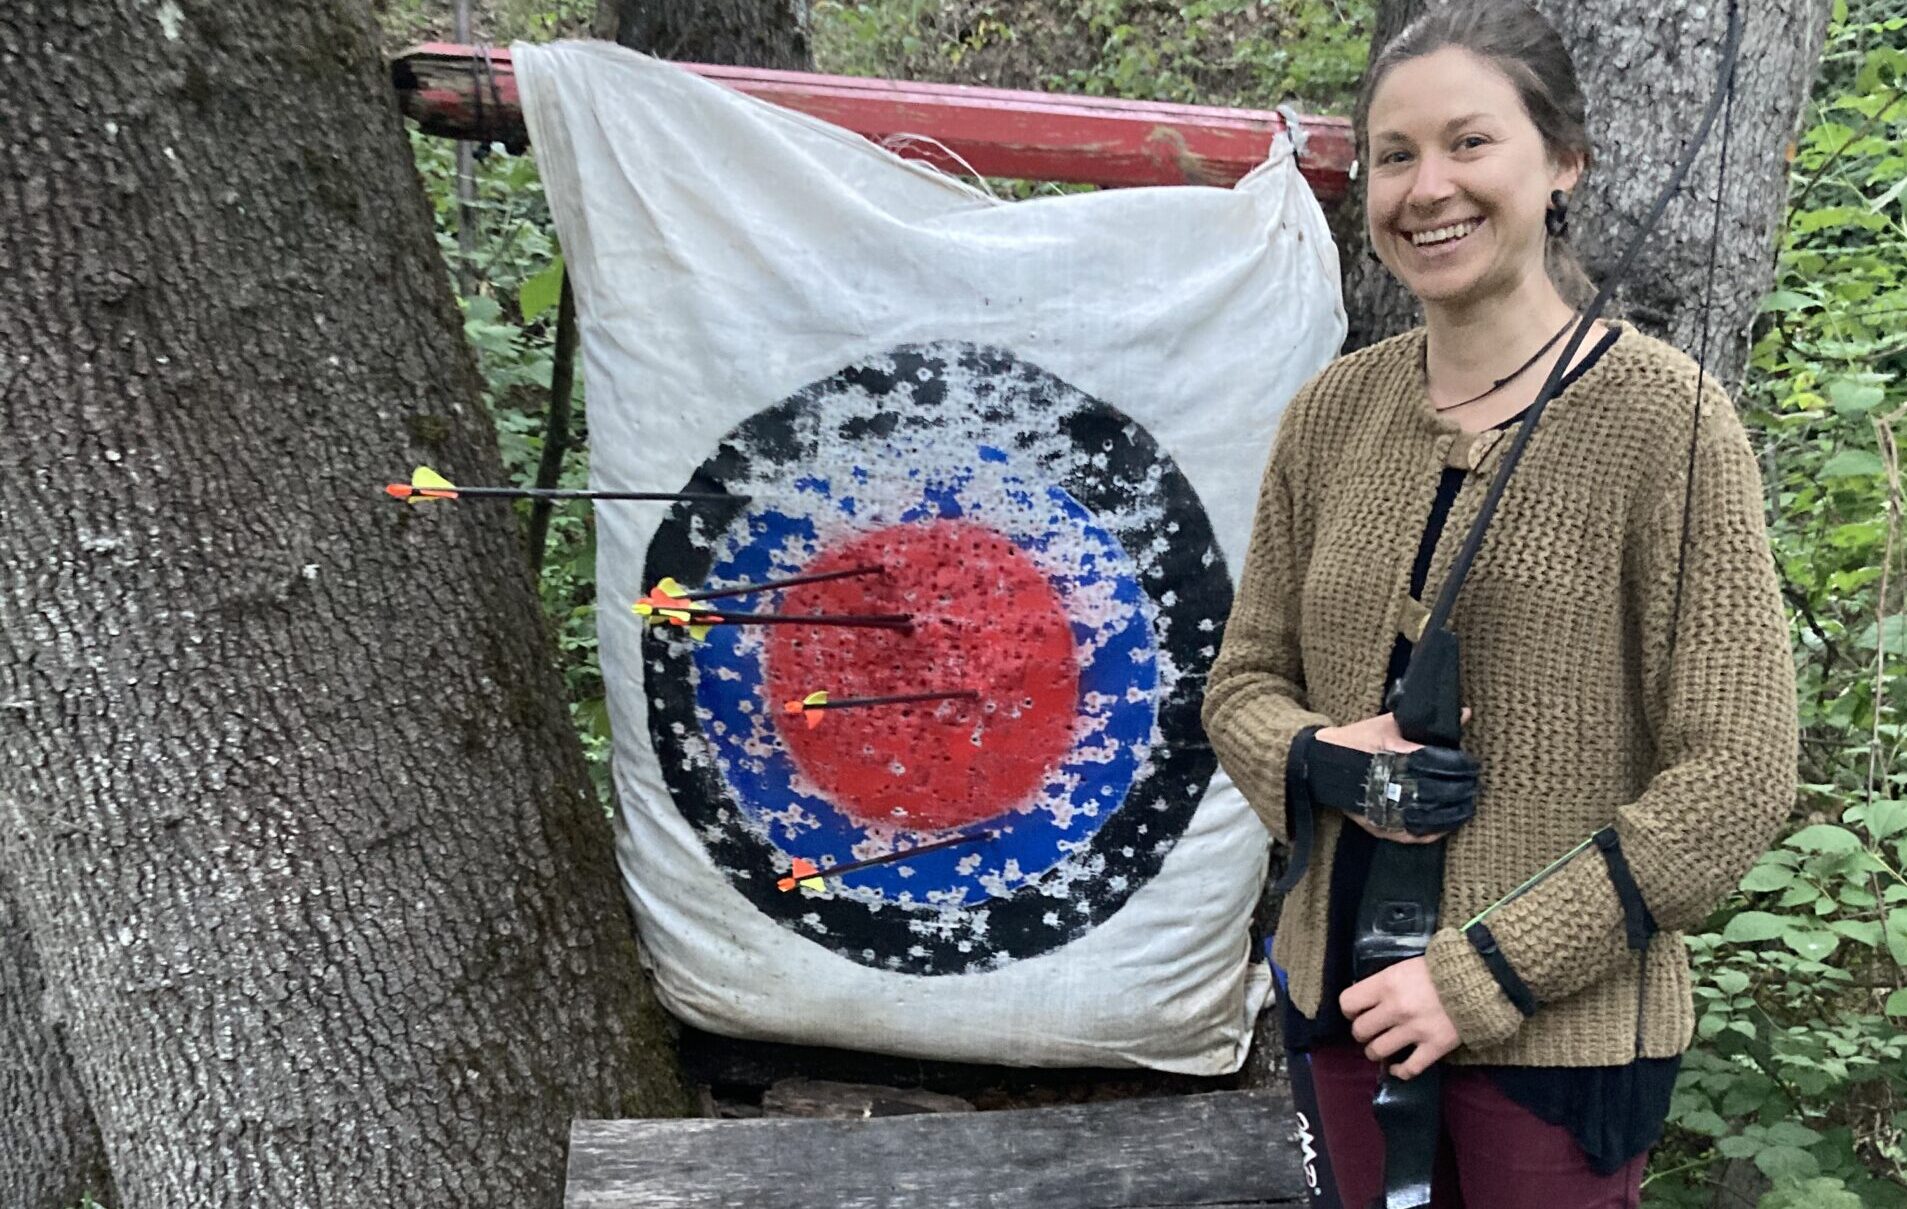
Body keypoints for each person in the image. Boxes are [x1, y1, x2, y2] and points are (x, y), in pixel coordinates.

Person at [1201, 3, 1797, 1206]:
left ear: (1560, 160)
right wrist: (1319, 753)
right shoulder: (1331, 415)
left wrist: (1476, 978)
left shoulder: (1661, 422)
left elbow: (1736, 770)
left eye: (1469, 143)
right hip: (1343, 1005)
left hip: (1554, 1047)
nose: (1426, 188)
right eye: (1394, 154)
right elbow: (1240, 683)